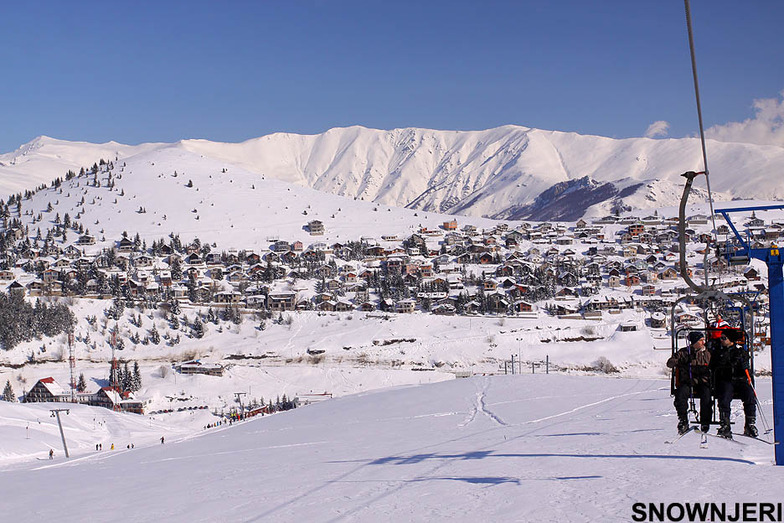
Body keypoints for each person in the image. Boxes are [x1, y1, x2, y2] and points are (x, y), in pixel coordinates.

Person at [710, 328, 757, 438]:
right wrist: (725, 363)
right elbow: (713, 366)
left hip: (740, 380)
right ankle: (725, 424)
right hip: (726, 379)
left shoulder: (740, 352)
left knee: (749, 395)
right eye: (720, 338)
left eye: (724, 338)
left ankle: (750, 424)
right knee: (725, 396)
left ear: (731, 340)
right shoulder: (718, 352)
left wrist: (743, 364)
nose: (721, 340)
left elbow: (747, 369)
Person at [667, 331, 712, 434]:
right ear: (694, 342)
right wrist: (682, 361)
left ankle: (705, 421)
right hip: (687, 381)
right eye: (700, 340)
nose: (703, 342)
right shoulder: (684, 352)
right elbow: (670, 363)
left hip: (703, 381)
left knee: (706, 397)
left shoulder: (707, 353)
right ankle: (683, 420)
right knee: (681, 395)